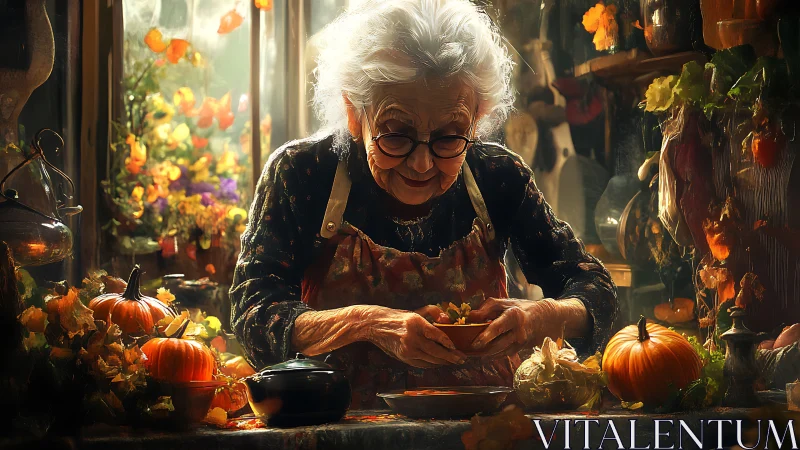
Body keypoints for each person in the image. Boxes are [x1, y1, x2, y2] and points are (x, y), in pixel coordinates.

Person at [230, 0, 617, 408]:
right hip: (344, 426)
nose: (421, 164)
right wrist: (368, 323)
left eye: (449, 137)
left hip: (486, 424)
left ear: (477, 118)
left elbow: (597, 291)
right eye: (396, 134)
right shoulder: (304, 174)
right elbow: (253, 313)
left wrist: (541, 317)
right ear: (354, 113)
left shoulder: (497, 176)